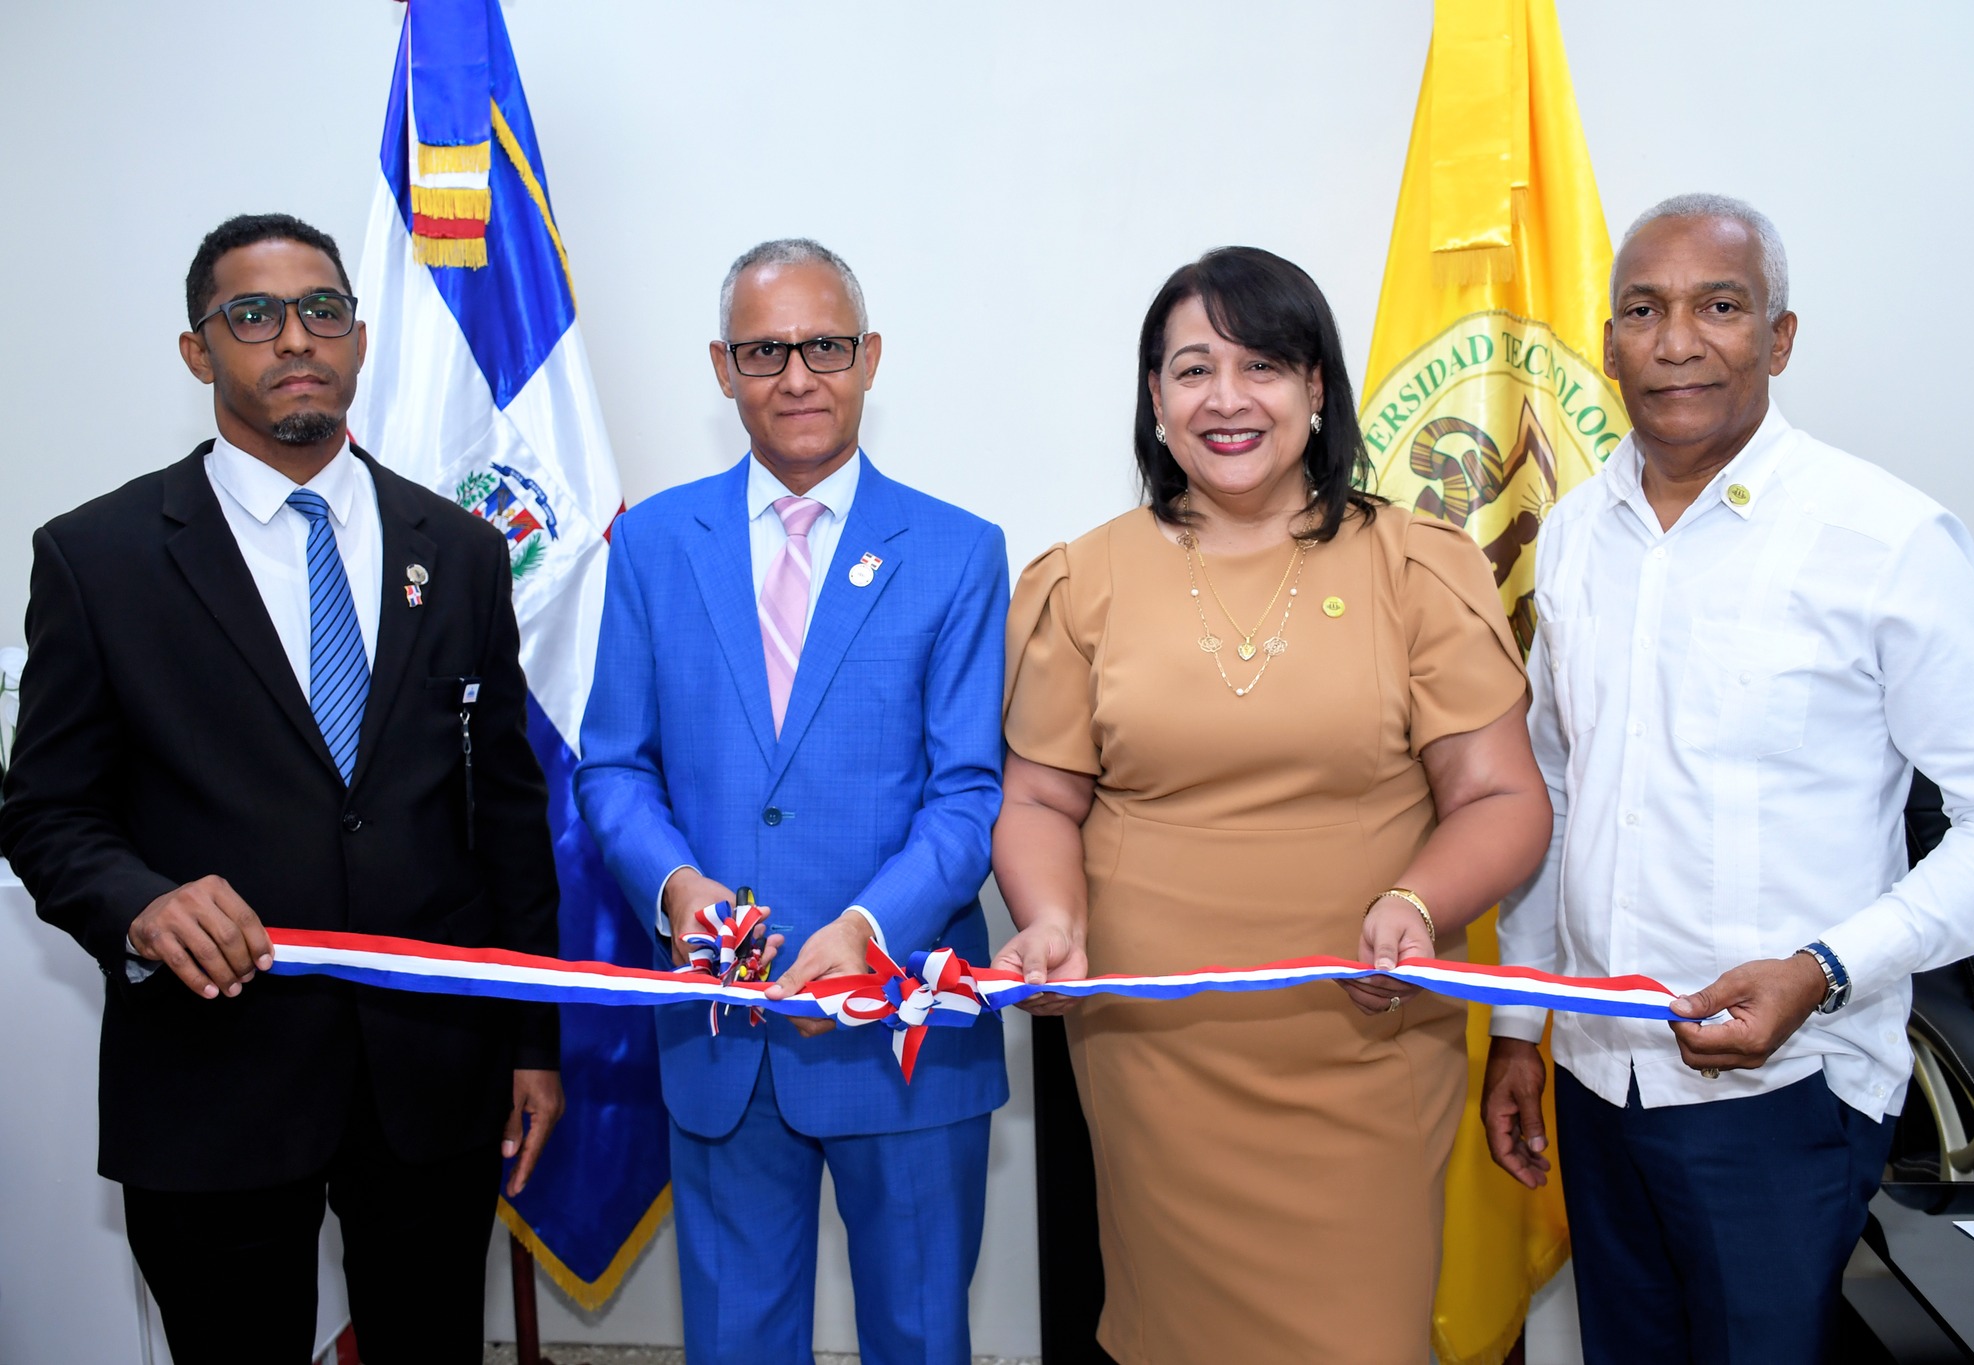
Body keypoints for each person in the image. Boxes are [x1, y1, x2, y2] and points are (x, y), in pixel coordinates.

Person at [1481, 194, 1974, 1364]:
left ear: (1778, 339)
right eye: (1643, 310)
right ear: (1606, 344)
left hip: (1784, 1094)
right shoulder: (1575, 535)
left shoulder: (1883, 539)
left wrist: (1821, 970)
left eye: (1718, 307)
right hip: (1596, 1078)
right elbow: (1556, 794)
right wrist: (1517, 1028)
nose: (1676, 342)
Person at [0, 213, 563, 1363]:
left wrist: (531, 1040)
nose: (294, 338)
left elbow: (505, 814)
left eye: (322, 311)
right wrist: (139, 903)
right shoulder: (98, 558)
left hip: (431, 1078)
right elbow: (47, 811)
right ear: (197, 350)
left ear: (358, 339)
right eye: (253, 315)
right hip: (212, 1077)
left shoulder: (459, 549)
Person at [991, 246, 1554, 1364]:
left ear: (1315, 388)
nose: (1227, 397)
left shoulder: (1416, 566)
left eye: (1262, 365)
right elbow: (1040, 800)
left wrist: (1415, 901)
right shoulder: (1079, 581)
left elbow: (1501, 797)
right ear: (1155, 400)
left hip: (1367, 1037)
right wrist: (1048, 919)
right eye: (1193, 369)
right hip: (1154, 1051)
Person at [575, 238, 1009, 1365]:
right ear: (723, 369)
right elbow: (613, 766)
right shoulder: (654, 543)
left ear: (870, 357)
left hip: (903, 1025)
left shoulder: (959, 552)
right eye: (765, 351)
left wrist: (870, 928)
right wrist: (675, 886)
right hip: (722, 1027)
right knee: (735, 1343)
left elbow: (967, 794)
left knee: (921, 1340)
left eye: (825, 346)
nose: (798, 376)